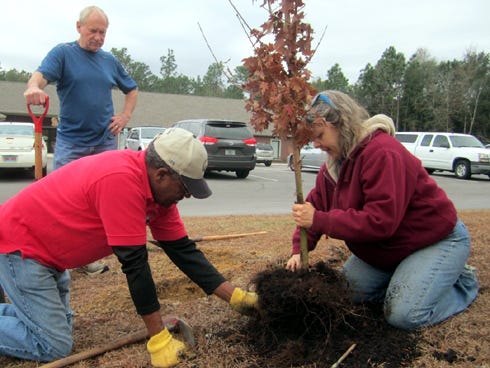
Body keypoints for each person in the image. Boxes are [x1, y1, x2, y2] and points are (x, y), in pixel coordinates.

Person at [0, 128, 258, 367]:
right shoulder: (120, 180)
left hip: (50, 257)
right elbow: (135, 265)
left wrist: (234, 296)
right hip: (22, 250)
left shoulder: (160, 197)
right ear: (161, 174)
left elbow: (183, 251)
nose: (188, 195)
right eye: (185, 187)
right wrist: (158, 339)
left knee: (58, 325)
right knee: (52, 345)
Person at [286, 90, 479, 331]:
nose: (316, 144)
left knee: (404, 315)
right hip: (388, 251)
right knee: (343, 294)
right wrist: (298, 250)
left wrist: (320, 221)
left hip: (434, 240)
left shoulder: (382, 153)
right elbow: (314, 207)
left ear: (338, 124)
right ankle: (411, 277)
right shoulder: (334, 166)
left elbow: (381, 221)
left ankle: (461, 282)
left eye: (320, 135)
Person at [23, 5, 138, 275]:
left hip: (104, 143)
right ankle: (53, 256)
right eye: (93, 31)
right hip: (71, 143)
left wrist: (124, 116)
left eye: (103, 32)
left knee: (104, 200)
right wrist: (32, 87)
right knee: (60, 201)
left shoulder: (110, 61)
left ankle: (87, 257)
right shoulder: (63, 54)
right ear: (79, 27)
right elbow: (39, 77)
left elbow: (131, 90)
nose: (98, 37)